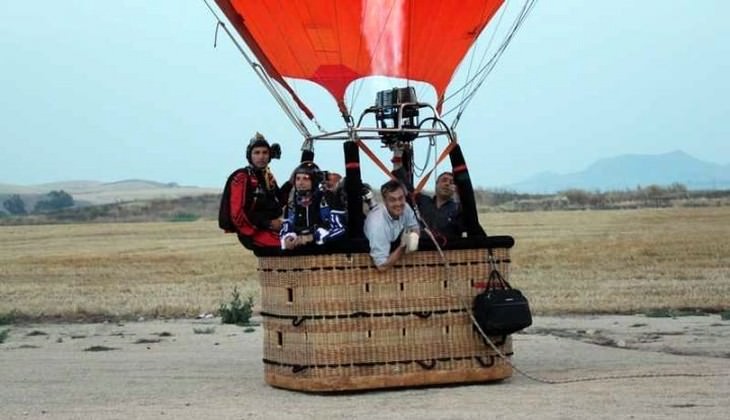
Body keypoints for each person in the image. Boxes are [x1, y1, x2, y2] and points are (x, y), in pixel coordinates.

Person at [229, 133, 283, 249]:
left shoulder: (267, 177)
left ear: (269, 156)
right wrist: (268, 223)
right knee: (289, 246)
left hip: (270, 228)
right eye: (257, 153)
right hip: (252, 232)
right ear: (250, 156)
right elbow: (238, 213)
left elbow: (282, 199)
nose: (261, 156)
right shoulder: (242, 177)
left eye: (265, 152)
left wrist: (293, 179)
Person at [280, 162, 346, 250]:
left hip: (326, 248)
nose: (300, 183)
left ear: (314, 181)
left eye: (306, 178)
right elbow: (286, 226)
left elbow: (340, 229)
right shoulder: (292, 202)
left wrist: (312, 237)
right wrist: (287, 238)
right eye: (298, 179)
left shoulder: (328, 198)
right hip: (301, 250)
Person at [364, 180, 420, 270]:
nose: (398, 203)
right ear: (384, 201)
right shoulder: (378, 225)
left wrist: (414, 237)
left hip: (392, 240)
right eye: (392, 200)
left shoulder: (405, 207)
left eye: (401, 198)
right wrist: (403, 247)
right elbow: (381, 266)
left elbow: (414, 227)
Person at [414, 171, 465, 240]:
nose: (447, 184)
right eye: (444, 180)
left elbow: (466, 227)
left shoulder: (457, 209)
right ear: (436, 184)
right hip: (423, 248)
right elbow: (404, 186)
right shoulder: (423, 201)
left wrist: (458, 195)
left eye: (451, 182)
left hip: (448, 249)